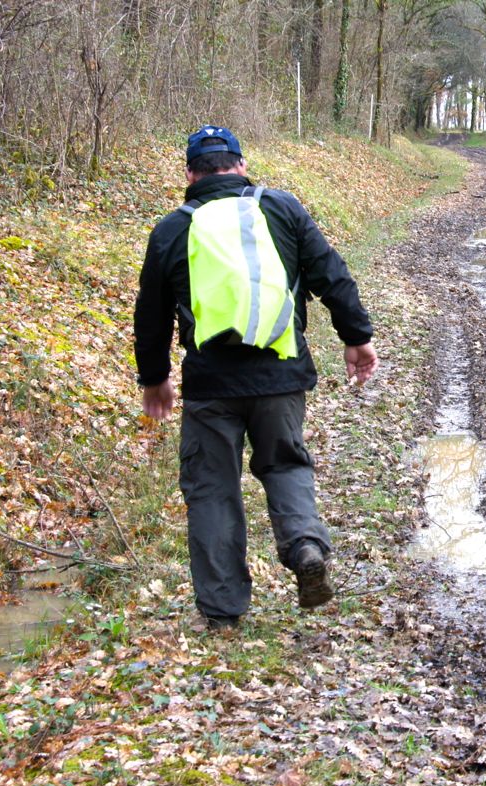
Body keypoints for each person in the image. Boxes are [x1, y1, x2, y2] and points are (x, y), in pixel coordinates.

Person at [133, 125, 379, 629]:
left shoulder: (173, 228)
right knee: (285, 465)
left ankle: (223, 613)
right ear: (241, 166)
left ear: (189, 174)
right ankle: (306, 546)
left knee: (212, 489)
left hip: (210, 384)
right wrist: (356, 337)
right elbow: (330, 272)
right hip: (281, 373)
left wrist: (155, 377)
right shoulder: (281, 208)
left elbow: (151, 315)